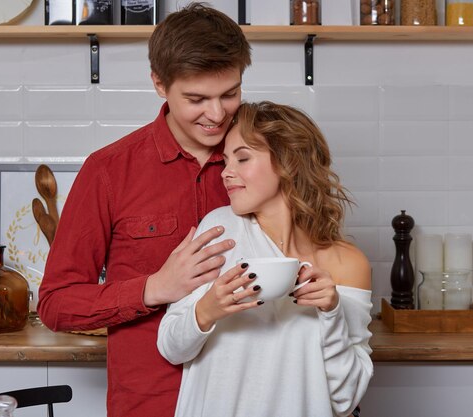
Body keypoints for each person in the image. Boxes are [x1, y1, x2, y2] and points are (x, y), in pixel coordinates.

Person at [36, 4, 251, 417]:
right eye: (196, 99)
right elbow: (56, 304)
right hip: (153, 404)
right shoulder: (108, 171)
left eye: (230, 93)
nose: (217, 113)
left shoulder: (268, 158)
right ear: (159, 84)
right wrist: (153, 288)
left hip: (250, 400)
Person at [157, 101, 374, 417]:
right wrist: (207, 309)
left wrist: (332, 312)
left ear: (289, 164)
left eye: (243, 158)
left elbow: (345, 398)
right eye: (226, 160)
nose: (226, 173)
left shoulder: (347, 265)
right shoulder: (219, 231)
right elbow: (172, 348)